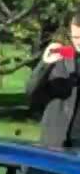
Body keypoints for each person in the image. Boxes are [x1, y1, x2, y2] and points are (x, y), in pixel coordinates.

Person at [25, 11, 80, 149]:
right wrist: (44, 64)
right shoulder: (60, 57)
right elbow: (31, 91)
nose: (78, 41)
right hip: (55, 142)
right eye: (75, 37)